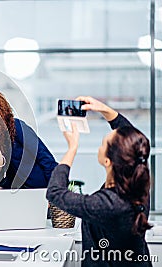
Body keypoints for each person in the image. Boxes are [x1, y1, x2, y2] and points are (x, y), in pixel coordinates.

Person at [47, 96, 152, 266]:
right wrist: (104, 109)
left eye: (103, 144)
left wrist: (72, 148)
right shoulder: (139, 183)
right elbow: (133, 139)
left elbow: (55, 193)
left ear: (108, 161)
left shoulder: (106, 204)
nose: (98, 148)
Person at [0, 84, 58, 189]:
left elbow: (45, 158)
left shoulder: (15, 126)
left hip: (37, 188)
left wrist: (54, 191)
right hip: (12, 194)